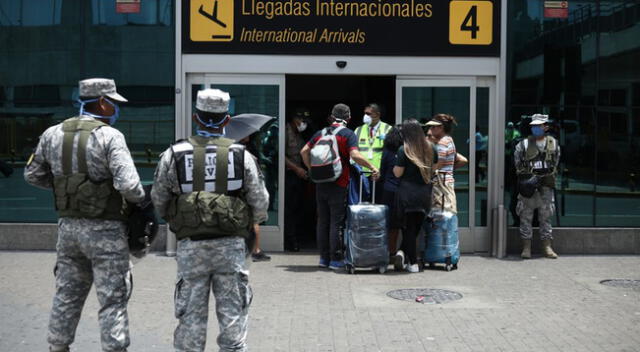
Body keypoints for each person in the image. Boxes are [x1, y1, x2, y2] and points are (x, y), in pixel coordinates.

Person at [24, 78, 144, 352]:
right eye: (113, 103)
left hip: (68, 230)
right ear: (102, 102)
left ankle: (58, 346)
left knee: (67, 293)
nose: (115, 108)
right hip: (106, 231)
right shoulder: (109, 136)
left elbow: (32, 175)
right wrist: (139, 201)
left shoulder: (52, 133)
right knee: (112, 298)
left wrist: (67, 187)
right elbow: (129, 185)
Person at [151, 88, 269, 352]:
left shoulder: (175, 154)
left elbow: (159, 198)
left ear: (196, 118)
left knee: (190, 318)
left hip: (191, 246)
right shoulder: (242, 155)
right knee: (232, 317)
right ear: (227, 120)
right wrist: (247, 221)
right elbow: (260, 203)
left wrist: (179, 218)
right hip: (231, 247)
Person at [300, 103, 380, 270]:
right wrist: (372, 167)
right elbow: (355, 154)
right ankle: (335, 259)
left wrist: (311, 169)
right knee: (336, 222)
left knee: (322, 221)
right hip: (339, 183)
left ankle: (323, 258)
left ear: (331, 116)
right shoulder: (347, 134)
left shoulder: (320, 133)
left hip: (320, 183)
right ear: (348, 118)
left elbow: (303, 151)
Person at [392, 119, 437, 273]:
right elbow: (433, 170)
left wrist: (394, 169)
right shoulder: (431, 148)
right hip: (424, 194)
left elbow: (398, 173)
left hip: (407, 194)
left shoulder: (403, 150)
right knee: (416, 228)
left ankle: (413, 263)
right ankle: (402, 254)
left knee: (408, 230)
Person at [514, 114, 560, 259]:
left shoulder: (553, 144)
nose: (535, 128)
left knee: (545, 217)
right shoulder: (523, 145)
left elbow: (556, 163)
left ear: (545, 127)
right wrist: (530, 177)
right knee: (525, 217)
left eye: (538, 126)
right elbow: (518, 164)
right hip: (529, 187)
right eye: (533, 126)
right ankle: (526, 247)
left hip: (546, 186)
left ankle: (547, 246)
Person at [238, 135, 271, 262]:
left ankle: (253, 249)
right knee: (254, 220)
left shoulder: (241, 150)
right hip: (247, 190)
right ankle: (255, 250)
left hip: (243, 190)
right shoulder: (243, 152)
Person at [284, 107, 310, 252]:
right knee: (289, 209)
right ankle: (290, 240)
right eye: (301, 119)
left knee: (298, 207)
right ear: (294, 119)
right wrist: (296, 169)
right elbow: (280, 155)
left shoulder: (299, 134)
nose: (303, 123)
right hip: (288, 175)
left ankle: (295, 236)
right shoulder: (285, 131)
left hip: (298, 175)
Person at [355, 103, 392, 201]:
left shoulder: (388, 129)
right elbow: (354, 153)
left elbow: (391, 154)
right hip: (362, 174)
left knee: (379, 202)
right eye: (365, 113)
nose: (365, 116)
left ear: (377, 114)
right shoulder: (358, 130)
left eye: (368, 114)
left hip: (380, 175)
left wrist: (382, 171)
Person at [425, 114, 461, 214]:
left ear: (441, 127)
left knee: (441, 214)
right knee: (446, 213)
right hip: (446, 182)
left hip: (441, 184)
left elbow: (437, 165)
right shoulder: (449, 139)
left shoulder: (442, 143)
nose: (431, 129)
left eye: (433, 127)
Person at [379, 126, 403, 259]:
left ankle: (390, 251)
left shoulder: (387, 151)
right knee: (402, 223)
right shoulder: (405, 151)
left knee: (389, 223)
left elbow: (382, 171)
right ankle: (402, 252)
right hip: (402, 190)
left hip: (388, 190)